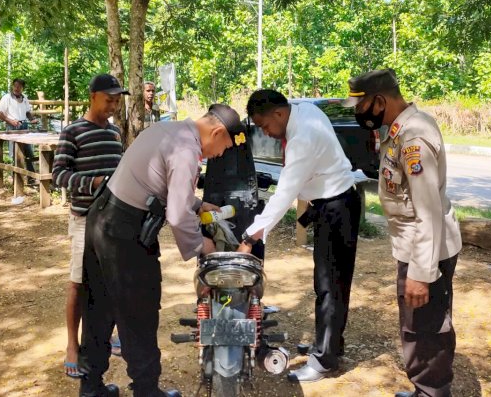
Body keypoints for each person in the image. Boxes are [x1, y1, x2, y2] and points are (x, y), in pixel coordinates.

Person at [78, 103, 247, 397]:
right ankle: (146, 390)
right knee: (139, 312)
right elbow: (178, 217)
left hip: (100, 220)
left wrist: (198, 204)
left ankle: (90, 387)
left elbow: (157, 181)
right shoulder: (187, 150)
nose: (220, 154)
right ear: (217, 131)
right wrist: (203, 246)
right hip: (124, 234)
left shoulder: (168, 130)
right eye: (224, 147)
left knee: (99, 308)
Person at [342, 69, 461, 397]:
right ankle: (426, 388)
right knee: (419, 325)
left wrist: (421, 273)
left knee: (425, 327)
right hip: (417, 246)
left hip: (426, 250)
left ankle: (432, 391)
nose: (357, 112)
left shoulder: (413, 138)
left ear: (379, 101)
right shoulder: (400, 130)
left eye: (360, 104)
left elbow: (428, 210)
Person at [236, 89, 361, 383]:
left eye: (265, 125)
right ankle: (328, 345)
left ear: (279, 114)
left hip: (336, 208)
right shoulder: (302, 109)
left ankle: (323, 361)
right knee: (331, 283)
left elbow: (285, 194)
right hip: (332, 203)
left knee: (329, 286)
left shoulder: (302, 137)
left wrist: (251, 237)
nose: (265, 132)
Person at [53, 74, 127, 380]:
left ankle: (106, 336)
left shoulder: (115, 134)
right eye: (108, 99)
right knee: (79, 283)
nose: (113, 105)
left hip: (113, 221)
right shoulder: (72, 132)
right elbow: (58, 175)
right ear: (92, 96)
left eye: (117, 100)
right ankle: (72, 346)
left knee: (113, 281)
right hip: (84, 219)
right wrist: (93, 183)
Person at [0, 78, 38, 178]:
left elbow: (27, 112)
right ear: (12, 86)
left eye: (19, 86)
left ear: (22, 88)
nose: (16, 88)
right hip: (12, 127)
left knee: (29, 152)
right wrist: (11, 121)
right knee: (14, 153)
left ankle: (31, 177)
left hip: (24, 126)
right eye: (15, 86)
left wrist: (32, 119)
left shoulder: (25, 98)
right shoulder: (6, 98)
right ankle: (15, 178)